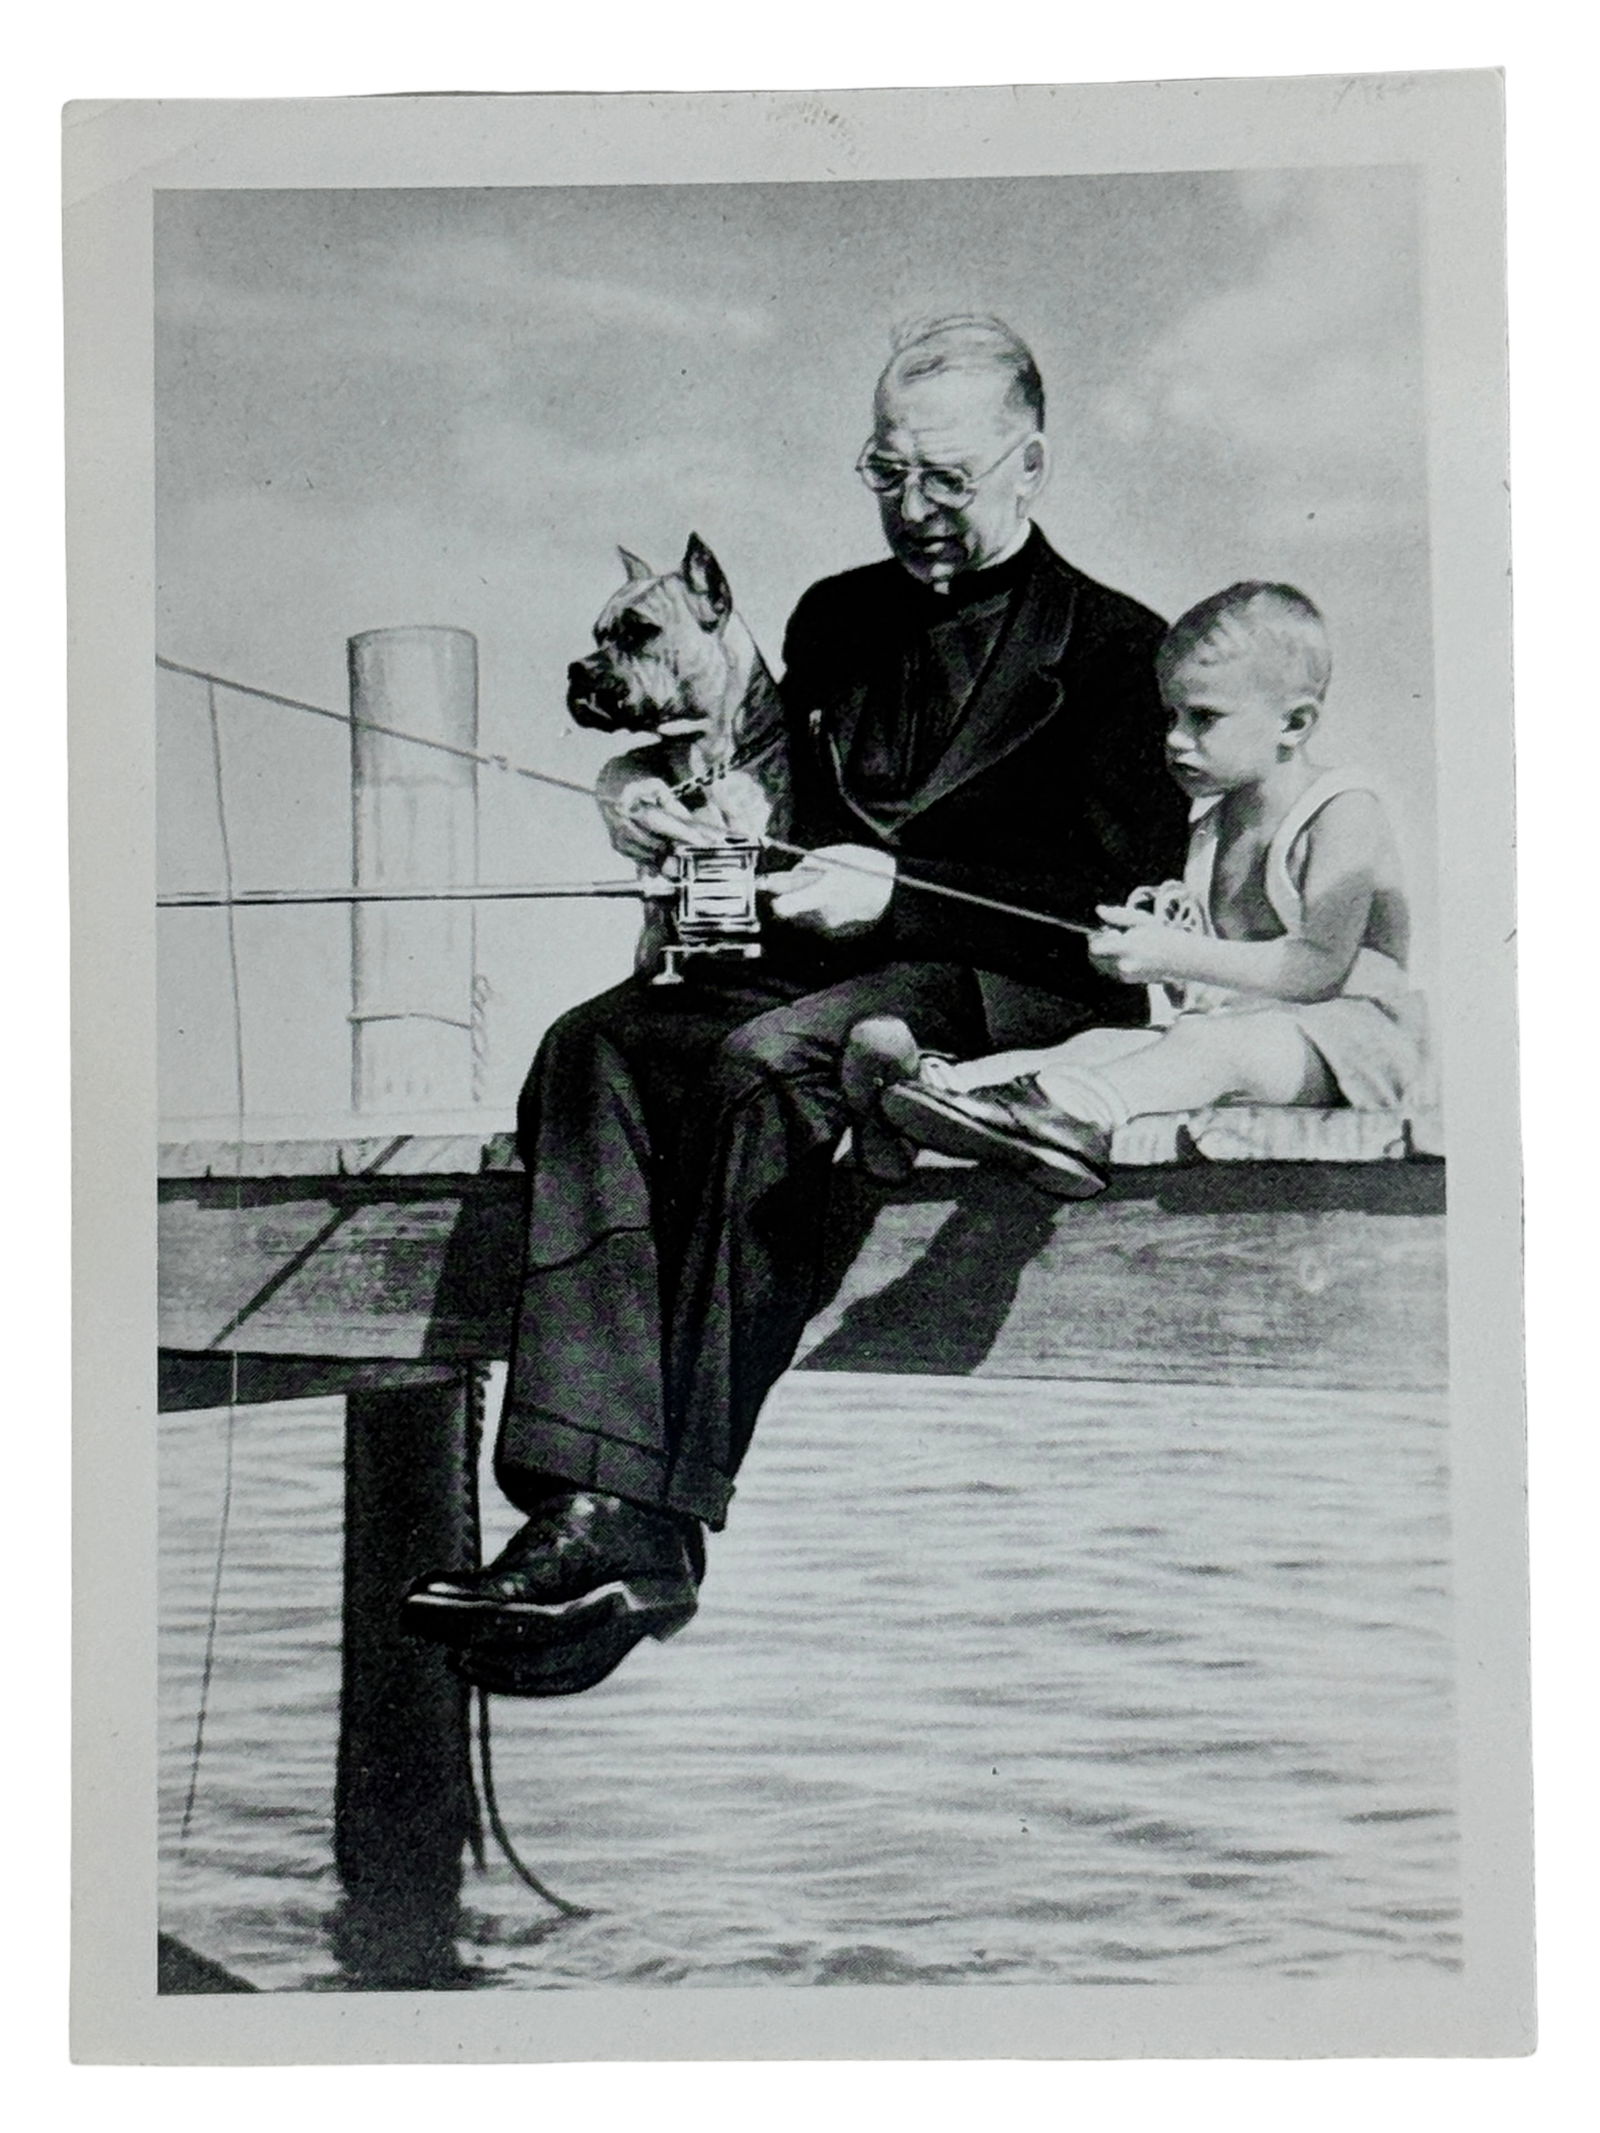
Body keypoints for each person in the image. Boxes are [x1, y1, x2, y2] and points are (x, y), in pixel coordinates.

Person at [402, 315, 1187, 1695]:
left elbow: (1109, 902)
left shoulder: (1123, 647)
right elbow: (756, 792)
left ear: (1032, 462)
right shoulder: (834, 616)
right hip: (839, 964)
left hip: (1011, 990)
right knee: (597, 1045)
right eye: (887, 473)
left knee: (766, 1066)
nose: (914, 509)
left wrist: (903, 890)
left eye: (946, 479)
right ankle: (574, 1501)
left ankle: (655, 1519)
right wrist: (640, 798)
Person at [863, 581, 1423, 1201]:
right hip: (1245, 1036)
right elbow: (1218, 976)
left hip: (1348, 1049)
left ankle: (1068, 1116)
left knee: (1209, 1044)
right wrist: (1162, 937)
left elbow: (1317, 969)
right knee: (1098, 1043)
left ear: (1294, 723)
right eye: (1170, 716)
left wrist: (1172, 955)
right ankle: (927, 1098)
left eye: (1203, 717)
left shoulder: (1343, 809)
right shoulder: (1211, 824)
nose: (1176, 739)